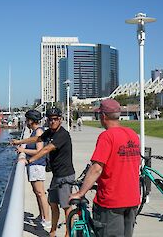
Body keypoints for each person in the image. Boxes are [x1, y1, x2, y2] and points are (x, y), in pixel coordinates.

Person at [69, 99, 141, 237]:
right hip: (132, 199)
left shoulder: (107, 136)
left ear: (103, 116)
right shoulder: (132, 134)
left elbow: (97, 168)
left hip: (111, 201)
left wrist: (81, 192)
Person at [12, 107, 75, 237]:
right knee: (53, 204)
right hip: (56, 174)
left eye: (55, 119)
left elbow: (46, 149)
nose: (52, 122)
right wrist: (20, 141)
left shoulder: (62, 134)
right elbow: (37, 139)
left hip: (65, 175)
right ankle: (52, 232)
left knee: (66, 206)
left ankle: (68, 234)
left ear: (61, 120)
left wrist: (29, 161)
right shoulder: (50, 132)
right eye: (50, 119)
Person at [15, 110, 51, 228]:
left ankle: (47, 219)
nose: (25, 122)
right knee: (37, 193)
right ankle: (42, 216)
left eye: (27, 119)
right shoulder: (35, 132)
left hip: (37, 165)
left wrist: (23, 150)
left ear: (30, 120)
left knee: (40, 193)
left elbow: (39, 151)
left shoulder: (39, 131)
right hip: (33, 165)